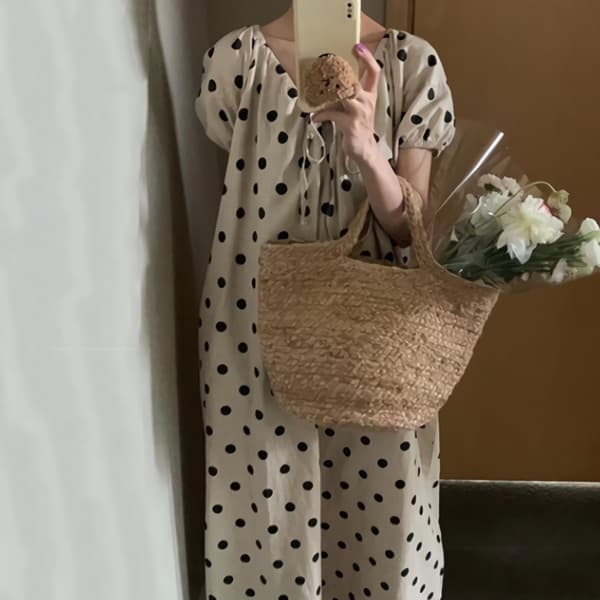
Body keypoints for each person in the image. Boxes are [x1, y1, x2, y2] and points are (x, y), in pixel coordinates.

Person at [194, 4, 456, 599]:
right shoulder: (234, 64)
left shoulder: (411, 64)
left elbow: (410, 233)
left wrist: (366, 147)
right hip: (253, 323)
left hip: (375, 331)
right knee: (266, 507)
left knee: (384, 517)